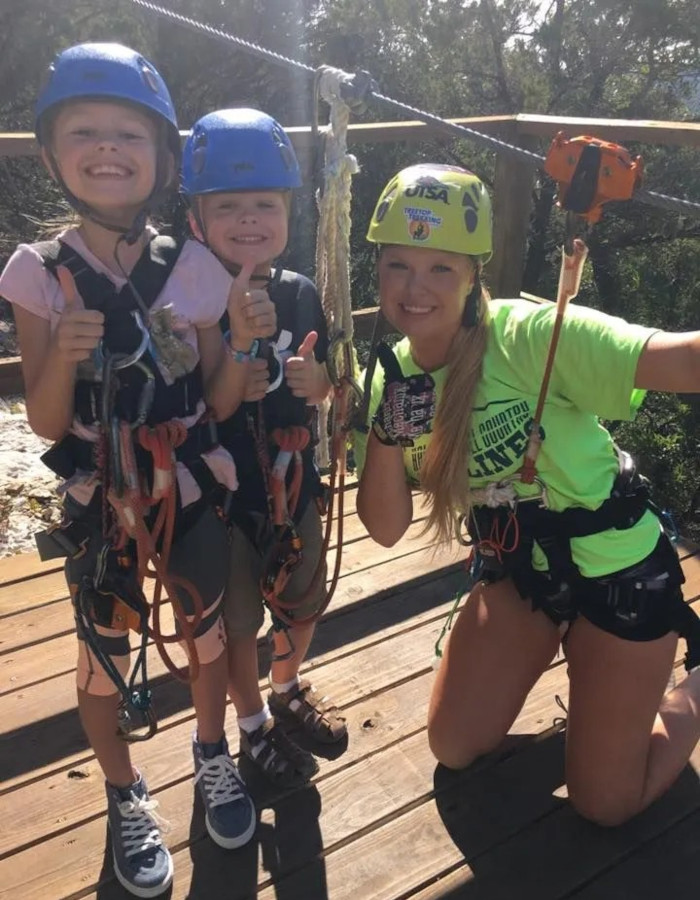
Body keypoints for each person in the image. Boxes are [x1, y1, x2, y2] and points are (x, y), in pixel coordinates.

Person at [0, 44, 271, 897]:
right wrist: (60, 354)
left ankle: (210, 752)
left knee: (206, 634)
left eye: (128, 133)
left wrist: (242, 341)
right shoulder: (38, 275)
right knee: (102, 653)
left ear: (159, 155)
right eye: (84, 131)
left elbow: (217, 400)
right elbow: (48, 420)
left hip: (184, 479)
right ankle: (124, 790)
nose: (108, 147)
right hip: (102, 492)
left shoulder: (193, 267)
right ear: (51, 154)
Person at [353, 162, 700, 827]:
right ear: (379, 269)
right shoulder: (392, 376)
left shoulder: (528, 336)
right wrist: (384, 430)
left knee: (606, 805)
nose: (415, 289)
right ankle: (594, 688)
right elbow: (386, 529)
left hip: (619, 571)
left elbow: (681, 359)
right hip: (524, 572)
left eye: (440, 268)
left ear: (472, 273)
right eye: (398, 266)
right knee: (454, 746)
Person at [181, 108, 347, 789]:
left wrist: (317, 384)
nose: (249, 219)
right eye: (227, 207)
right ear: (196, 219)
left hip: (293, 479)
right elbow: (206, 404)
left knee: (304, 601)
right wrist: (239, 353)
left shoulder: (301, 293)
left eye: (265, 205)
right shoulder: (195, 301)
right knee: (238, 620)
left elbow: (328, 381)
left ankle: (285, 687)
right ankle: (251, 722)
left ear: (287, 213)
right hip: (226, 500)